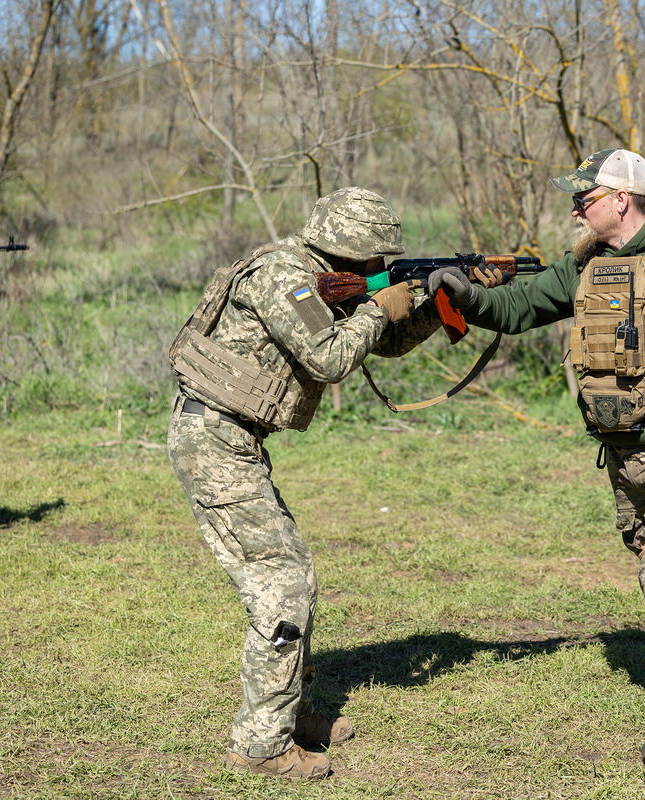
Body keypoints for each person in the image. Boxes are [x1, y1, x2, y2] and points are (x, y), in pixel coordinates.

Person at [429, 149, 645, 776]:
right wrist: (466, 296)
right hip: (624, 453)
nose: (574, 207)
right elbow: (519, 306)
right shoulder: (588, 266)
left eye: (585, 197)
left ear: (623, 198)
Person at [166, 187, 449, 780]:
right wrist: (380, 304)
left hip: (233, 440)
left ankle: (292, 716)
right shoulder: (286, 277)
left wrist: (444, 304)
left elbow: (386, 340)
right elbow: (330, 358)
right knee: (283, 585)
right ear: (351, 251)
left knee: (295, 573)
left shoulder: (319, 277)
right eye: (376, 262)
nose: (380, 271)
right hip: (214, 440)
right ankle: (262, 746)